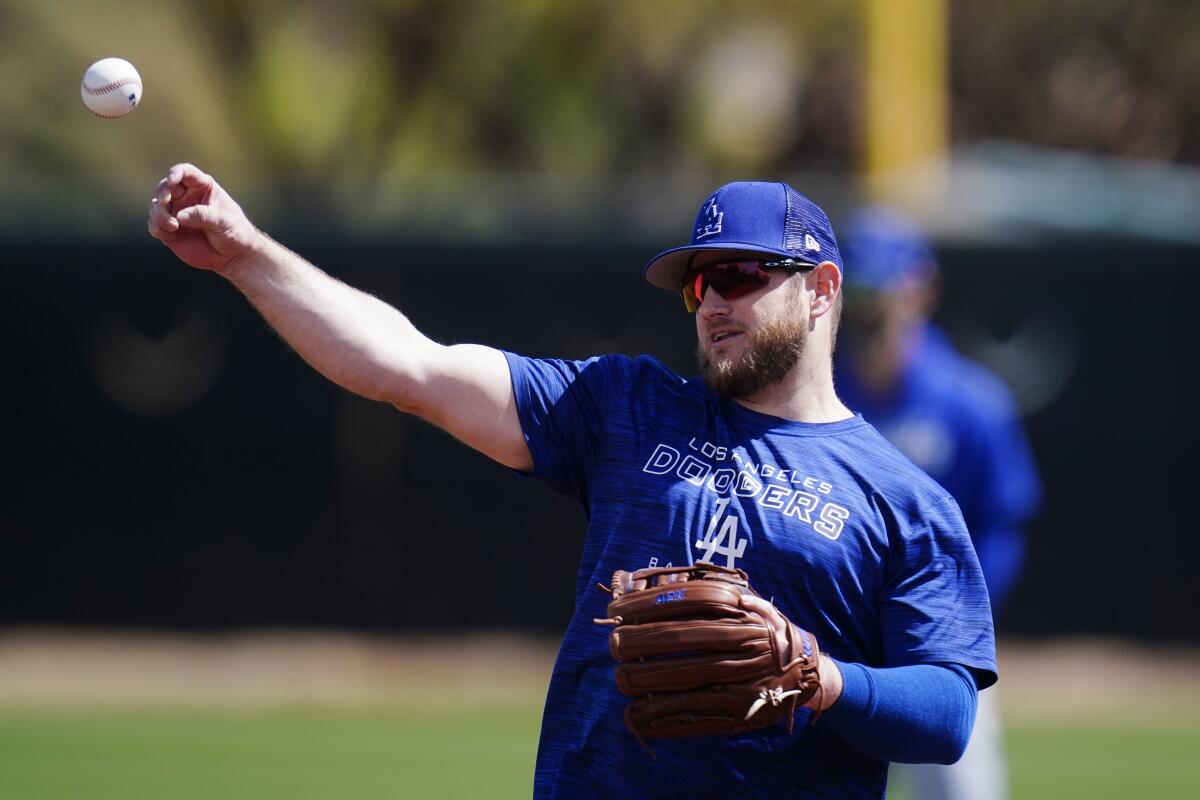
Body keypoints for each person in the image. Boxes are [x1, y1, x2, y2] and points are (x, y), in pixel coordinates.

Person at [147, 167, 997, 799]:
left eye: (740, 275)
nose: (710, 302)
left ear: (821, 290)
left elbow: (948, 715)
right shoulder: (624, 407)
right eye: (698, 283)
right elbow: (409, 367)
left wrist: (820, 675)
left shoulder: (905, 502)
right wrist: (247, 257)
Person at [834, 207, 1043, 800]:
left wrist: (955, 626)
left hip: (940, 659)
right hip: (838, 654)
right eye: (862, 288)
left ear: (921, 286)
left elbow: (1002, 529)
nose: (874, 305)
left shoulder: (972, 403)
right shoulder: (815, 397)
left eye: (885, 285)